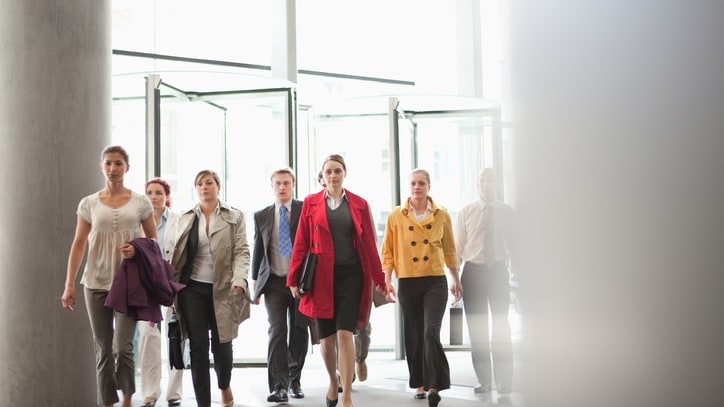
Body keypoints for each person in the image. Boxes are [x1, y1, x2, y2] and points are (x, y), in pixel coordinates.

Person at [61, 145, 157, 407]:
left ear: (127, 167)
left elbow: (153, 242)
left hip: (129, 285)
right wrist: (69, 284)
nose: (113, 169)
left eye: (118, 164)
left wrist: (136, 250)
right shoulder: (89, 203)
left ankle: (127, 400)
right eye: (108, 164)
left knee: (122, 347)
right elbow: (79, 243)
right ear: (101, 167)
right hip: (94, 284)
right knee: (103, 349)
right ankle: (107, 403)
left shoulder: (140, 202)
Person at [288, 154, 387, 407]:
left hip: (351, 276)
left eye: (337, 171)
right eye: (328, 171)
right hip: (321, 278)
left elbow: (369, 246)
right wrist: (293, 278)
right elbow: (301, 244)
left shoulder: (360, 204)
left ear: (345, 174)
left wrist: (380, 279)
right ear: (322, 176)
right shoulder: (310, 204)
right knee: (327, 339)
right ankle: (333, 380)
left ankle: (347, 395)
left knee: (345, 334)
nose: (333, 175)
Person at [380, 168, 462, 407]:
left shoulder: (442, 215)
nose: (417, 187)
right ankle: (420, 383)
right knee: (414, 334)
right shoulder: (397, 215)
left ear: (429, 186)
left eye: (421, 183)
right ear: (409, 186)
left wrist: (456, 278)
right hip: (407, 281)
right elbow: (388, 251)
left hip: (435, 280)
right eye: (413, 183)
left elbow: (450, 250)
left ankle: (435, 385)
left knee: (430, 332)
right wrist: (387, 280)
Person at [171, 170, 251, 407]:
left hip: (224, 289)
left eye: (208, 183)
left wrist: (240, 279)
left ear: (218, 187)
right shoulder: (185, 217)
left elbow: (242, 251)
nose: (204, 187)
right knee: (198, 347)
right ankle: (203, 403)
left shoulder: (234, 216)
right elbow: (175, 254)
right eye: (199, 184)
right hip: (192, 289)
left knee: (222, 346)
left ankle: (224, 384)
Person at [454, 168, 514, 396]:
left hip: (498, 272)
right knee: (477, 328)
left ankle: (504, 381)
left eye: (490, 180)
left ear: (497, 183)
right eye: (482, 180)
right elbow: (457, 249)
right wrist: (454, 279)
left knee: (501, 326)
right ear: (476, 184)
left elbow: (516, 247)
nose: (486, 184)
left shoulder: (507, 212)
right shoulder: (466, 212)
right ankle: (485, 381)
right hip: (473, 273)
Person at [251, 168, 309, 403]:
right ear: (272, 186)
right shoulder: (262, 215)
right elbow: (258, 250)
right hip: (274, 282)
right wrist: (254, 285)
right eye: (278, 183)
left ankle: (294, 380)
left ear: (293, 185)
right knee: (277, 331)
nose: (282, 187)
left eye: (286, 183)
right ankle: (279, 386)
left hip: (301, 282)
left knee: (298, 330)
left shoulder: (305, 210)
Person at [137, 177, 184, 407]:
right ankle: (149, 391)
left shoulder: (179, 221)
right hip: (146, 288)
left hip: (172, 285)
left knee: (175, 336)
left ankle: (174, 392)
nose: (154, 196)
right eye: (149, 192)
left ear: (167, 196)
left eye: (158, 192)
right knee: (148, 337)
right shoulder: (137, 223)